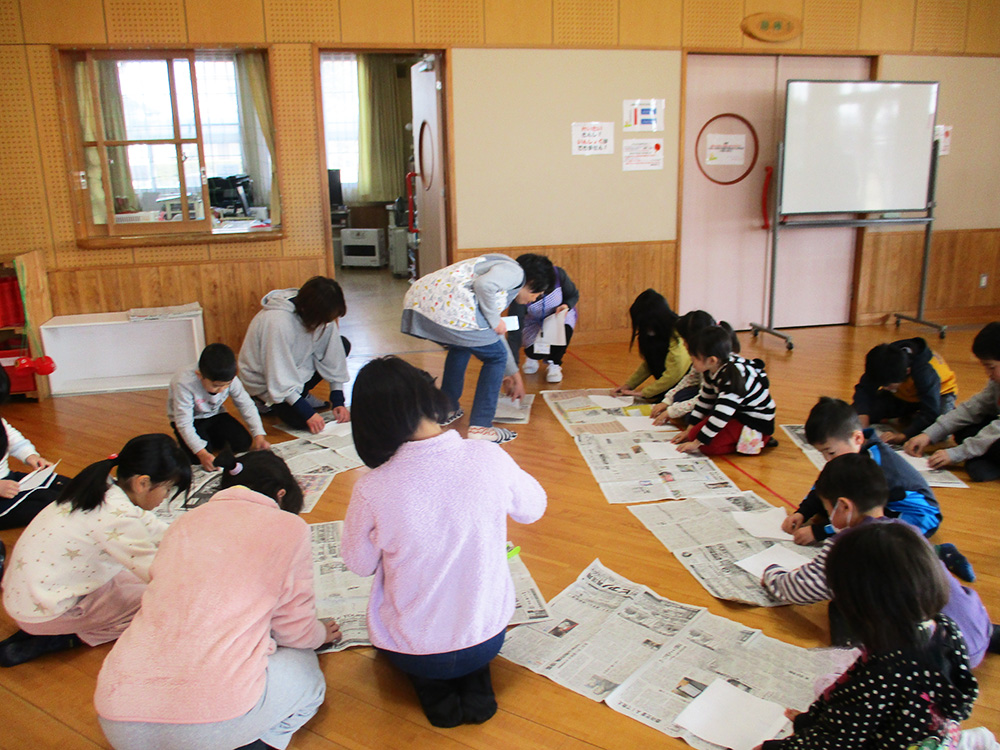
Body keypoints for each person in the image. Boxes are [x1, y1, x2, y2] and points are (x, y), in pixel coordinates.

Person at [341, 357, 546, 727]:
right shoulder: (486, 454)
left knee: (427, 661)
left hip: (414, 651)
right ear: (428, 398)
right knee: (470, 653)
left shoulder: (372, 487)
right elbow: (533, 508)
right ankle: (475, 677)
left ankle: (434, 689)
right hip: (487, 637)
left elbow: (358, 563)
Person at [94, 451, 340, 750]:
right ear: (281, 494)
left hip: (118, 722)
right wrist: (321, 633)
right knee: (308, 672)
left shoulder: (183, 523)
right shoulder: (289, 528)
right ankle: (256, 741)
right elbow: (295, 632)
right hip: (213, 723)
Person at [763, 453, 999, 668]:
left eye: (827, 507)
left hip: (942, 657)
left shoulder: (846, 546)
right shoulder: (905, 528)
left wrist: (772, 573)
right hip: (977, 625)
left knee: (843, 605)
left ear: (844, 506)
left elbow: (800, 589)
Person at [758, 521, 979, 749]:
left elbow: (837, 740)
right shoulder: (945, 627)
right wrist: (811, 719)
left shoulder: (887, 669)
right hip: (933, 733)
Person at [0, 434, 190, 667]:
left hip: (26, 597)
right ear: (143, 483)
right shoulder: (117, 518)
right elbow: (160, 576)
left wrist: (187, 537)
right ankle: (62, 638)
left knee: (131, 576)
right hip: (42, 612)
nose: (166, 498)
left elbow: (150, 525)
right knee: (158, 602)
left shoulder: (104, 486)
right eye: (168, 489)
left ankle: (53, 629)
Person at [401, 253, 556, 443]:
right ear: (531, 280)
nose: (534, 299)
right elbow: (484, 286)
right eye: (537, 293)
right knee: (496, 357)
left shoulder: (499, 270)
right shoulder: (516, 273)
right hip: (448, 312)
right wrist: (494, 320)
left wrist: (515, 376)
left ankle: (447, 407)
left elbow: (494, 336)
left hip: (421, 303)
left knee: (462, 346)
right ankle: (481, 426)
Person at [783, 397, 945, 542]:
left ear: (858, 438)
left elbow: (860, 513)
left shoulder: (873, 464)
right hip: (880, 503)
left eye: (830, 452)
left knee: (868, 540)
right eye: (822, 453)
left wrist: (819, 532)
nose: (827, 459)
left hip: (917, 517)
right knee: (833, 506)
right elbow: (825, 486)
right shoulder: (848, 454)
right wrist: (802, 513)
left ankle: (937, 552)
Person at [239, 276, 352, 435]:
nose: (326, 324)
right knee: (301, 422)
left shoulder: (321, 314)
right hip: (265, 382)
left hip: (296, 369)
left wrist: (338, 400)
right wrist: (307, 412)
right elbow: (277, 373)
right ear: (310, 312)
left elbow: (333, 354)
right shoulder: (277, 321)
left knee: (342, 344)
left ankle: (302, 394)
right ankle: (262, 402)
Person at [905, 321, 1000, 482]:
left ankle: (985, 461)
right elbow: (972, 408)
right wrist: (928, 435)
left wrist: (956, 454)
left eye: (991, 367)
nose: (987, 373)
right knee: (964, 428)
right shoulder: (996, 382)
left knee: (991, 441)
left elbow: (996, 429)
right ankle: (982, 459)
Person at [672, 324, 776, 456]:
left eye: (694, 359)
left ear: (711, 360)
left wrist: (696, 443)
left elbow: (721, 415)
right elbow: (704, 401)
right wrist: (689, 430)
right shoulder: (713, 369)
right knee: (694, 434)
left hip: (753, 420)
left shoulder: (731, 377)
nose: (692, 363)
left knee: (707, 447)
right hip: (735, 413)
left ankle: (761, 439)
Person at [168, 343, 271, 471]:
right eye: (216, 385)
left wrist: (259, 435)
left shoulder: (230, 379)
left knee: (243, 443)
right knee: (197, 459)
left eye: (226, 385)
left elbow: (246, 405)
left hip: (215, 415)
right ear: (200, 375)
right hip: (191, 420)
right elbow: (184, 423)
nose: (221, 389)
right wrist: (202, 453)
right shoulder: (184, 382)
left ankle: (207, 439)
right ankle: (200, 441)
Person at [852, 336, 957, 444]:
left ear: (907, 372)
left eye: (888, 385)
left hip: (940, 395)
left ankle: (914, 416)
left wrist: (904, 436)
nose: (885, 388)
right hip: (904, 395)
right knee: (854, 415)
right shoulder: (883, 361)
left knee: (938, 432)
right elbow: (864, 389)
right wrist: (863, 415)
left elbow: (931, 411)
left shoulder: (925, 373)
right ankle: (911, 415)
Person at [0, 367, 67, 531]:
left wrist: (31, 456)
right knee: (51, 502)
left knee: (68, 487)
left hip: (9, 481)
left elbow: (13, 440)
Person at [507, 254, 579, 384]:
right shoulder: (519, 294)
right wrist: (513, 369)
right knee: (534, 352)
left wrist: (566, 306)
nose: (538, 296)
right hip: (533, 321)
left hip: (557, 317)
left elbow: (573, 295)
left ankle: (555, 363)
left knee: (563, 332)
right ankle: (532, 358)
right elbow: (514, 331)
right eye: (535, 294)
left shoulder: (558, 275)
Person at [612, 289, 691, 401]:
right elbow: (649, 363)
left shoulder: (677, 335)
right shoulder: (651, 332)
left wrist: (644, 393)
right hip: (669, 383)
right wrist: (629, 385)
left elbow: (674, 374)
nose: (642, 328)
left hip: (685, 384)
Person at [650, 309, 718, 426]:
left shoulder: (714, 363)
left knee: (693, 417)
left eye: (685, 340)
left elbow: (705, 398)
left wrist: (671, 412)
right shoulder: (701, 355)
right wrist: (667, 401)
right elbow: (690, 378)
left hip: (718, 403)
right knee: (681, 395)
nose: (684, 345)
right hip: (705, 395)